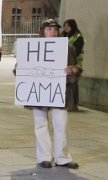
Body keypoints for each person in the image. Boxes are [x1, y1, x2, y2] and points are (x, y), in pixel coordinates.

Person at [21, 19, 81, 169]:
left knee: (61, 124)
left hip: (59, 91)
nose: (53, 32)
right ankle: (44, 157)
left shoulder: (68, 48)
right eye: (49, 29)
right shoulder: (32, 47)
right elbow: (23, 70)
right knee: (40, 124)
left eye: (55, 30)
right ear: (42, 32)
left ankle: (62, 157)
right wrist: (19, 68)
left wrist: (72, 70)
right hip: (39, 91)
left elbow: (76, 68)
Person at [62, 19, 84, 112]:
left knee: (73, 83)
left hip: (75, 62)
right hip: (64, 62)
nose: (65, 28)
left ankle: (74, 103)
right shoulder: (63, 35)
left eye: (67, 26)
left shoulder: (78, 37)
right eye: (64, 26)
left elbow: (77, 51)